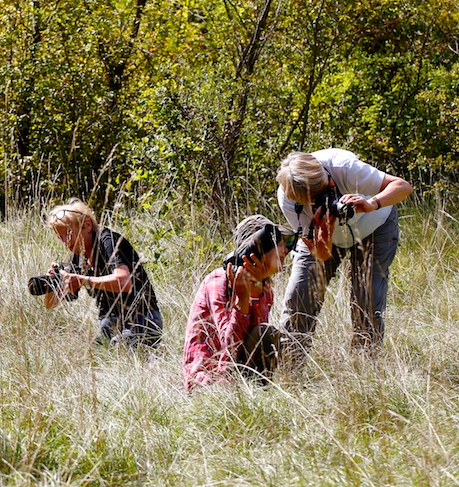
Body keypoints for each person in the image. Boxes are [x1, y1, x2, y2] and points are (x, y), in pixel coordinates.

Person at [276, 148, 413, 359]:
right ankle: (290, 369)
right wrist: (325, 230)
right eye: (316, 198)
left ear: (326, 173)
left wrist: (371, 204)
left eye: (327, 187)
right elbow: (319, 254)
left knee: (367, 297)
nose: (328, 195)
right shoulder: (289, 201)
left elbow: (403, 186)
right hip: (324, 235)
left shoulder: (344, 167)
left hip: (375, 225)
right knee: (299, 297)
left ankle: (364, 368)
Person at [182, 215, 297, 390]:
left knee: (269, 335)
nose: (285, 250)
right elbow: (229, 349)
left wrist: (256, 293)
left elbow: (256, 342)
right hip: (206, 382)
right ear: (257, 251)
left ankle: (255, 395)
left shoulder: (265, 289)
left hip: (236, 377)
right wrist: (242, 299)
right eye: (278, 244)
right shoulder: (218, 282)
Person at [42, 199, 163, 348]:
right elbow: (51, 304)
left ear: (87, 225)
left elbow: (124, 281)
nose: (66, 241)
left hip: (141, 317)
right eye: (61, 237)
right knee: (92, 357)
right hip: (109, 323)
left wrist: (83, 280)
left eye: (69, 233)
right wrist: (50, 282)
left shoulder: (107, 241)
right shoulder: (79, 254)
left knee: (122, 349)